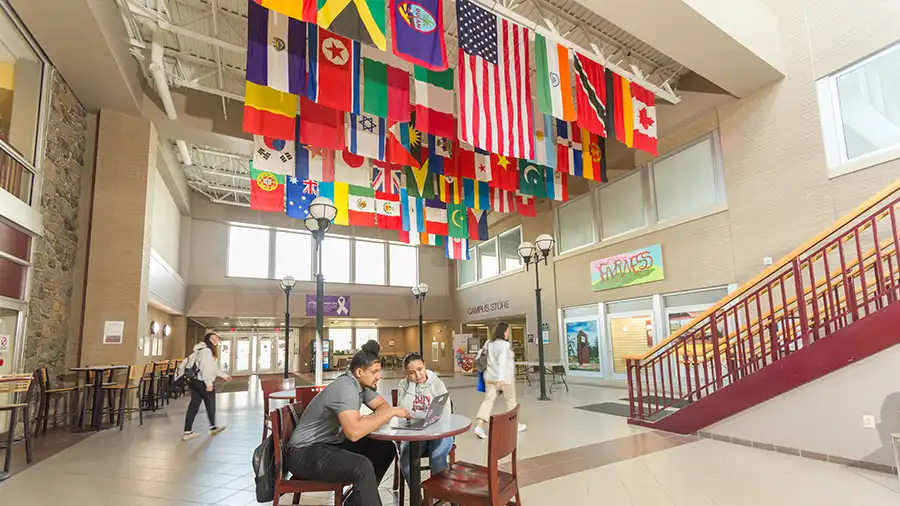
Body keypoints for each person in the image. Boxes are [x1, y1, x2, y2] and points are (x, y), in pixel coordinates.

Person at [284, 340, 409, 506]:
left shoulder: (361, 385)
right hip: (303, 453)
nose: (379, 376)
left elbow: (381, 405)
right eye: (374, 372)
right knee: (362, 467)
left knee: (384, 448)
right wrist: (390, 412)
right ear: (359, 371)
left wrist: (372, 418)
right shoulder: (345, 388)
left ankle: (355, 502)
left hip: (328, 443)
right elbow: (354, 433)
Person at [396, 352, 453, 484]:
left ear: (425, 366)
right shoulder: (403, 385)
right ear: (406, 373)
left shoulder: (437, 384)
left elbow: (445, 413)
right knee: (406, 460)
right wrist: (412, 385)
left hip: (440, 430)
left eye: (420, 369)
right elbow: (403, 411)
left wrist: (414, 414)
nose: (417, 375)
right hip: (415, 433)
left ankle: (445, 496)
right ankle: (419, 500)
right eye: (411, 372)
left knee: (437, 459)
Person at [474, 322, 527, 440]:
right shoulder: (504, 345)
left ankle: (479, 426)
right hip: (504, 379)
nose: (508, 333)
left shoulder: (489, 343)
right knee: (511, 402)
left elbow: (480, 356)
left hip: (489, 377)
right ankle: (514, 425)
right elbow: (502, 361)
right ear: (504, 331)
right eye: (508, 331)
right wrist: (501, 378)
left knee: (488, 401)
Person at [182, 332, 231, 441]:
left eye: (216, 338)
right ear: (207, 340)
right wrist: (208, 383)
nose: (215, 340)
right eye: (212, 338)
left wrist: (223, 375)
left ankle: (187, 432)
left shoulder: (202, 350)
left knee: (194, 406)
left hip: (196, 381)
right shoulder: (207, 351)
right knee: (210, 405)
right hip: (202, 382)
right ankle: (213, 427)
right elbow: (206, 368)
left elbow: (212, 368)